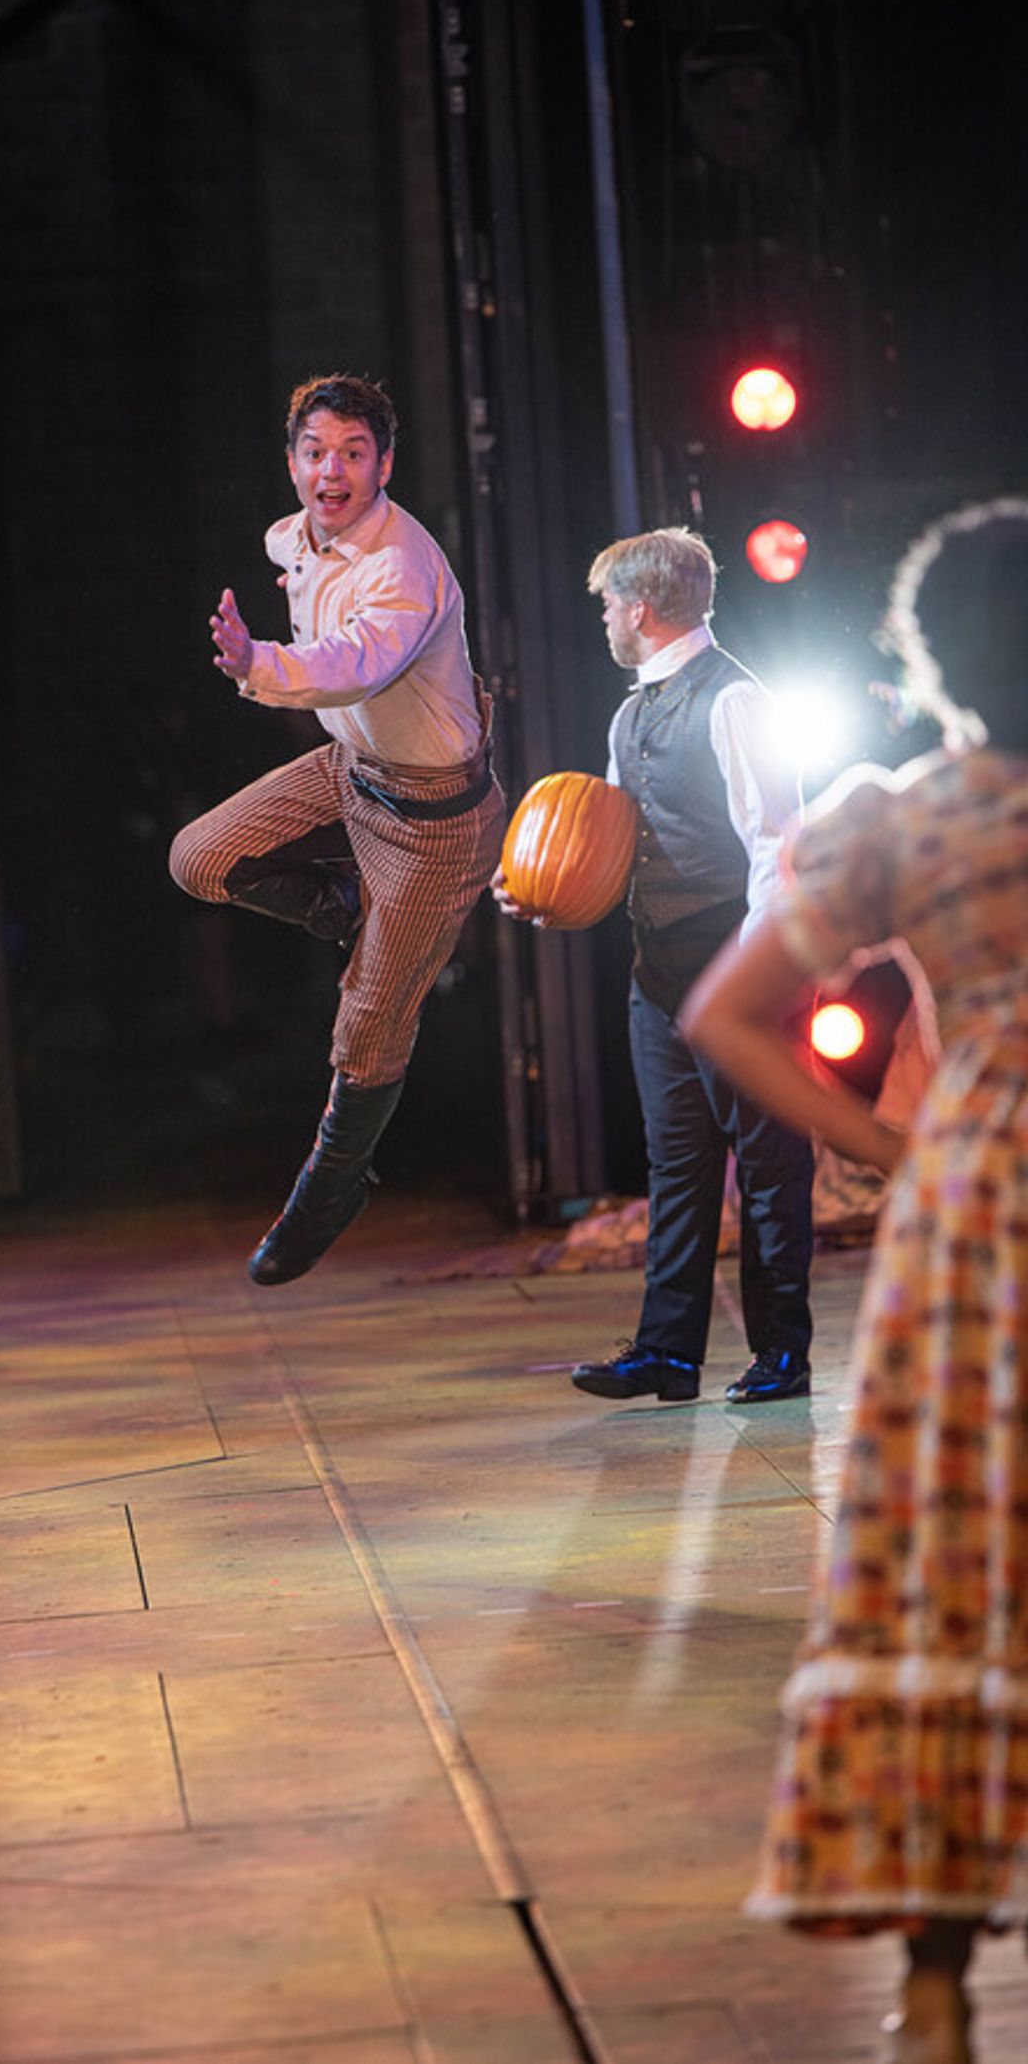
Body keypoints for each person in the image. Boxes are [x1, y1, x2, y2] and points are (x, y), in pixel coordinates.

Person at [681, 498, 1028, 2064]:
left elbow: (728, 1011)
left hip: (980, 1211)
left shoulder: (912, 818)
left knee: (956, 1562)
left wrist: (896, 1149)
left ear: (937, 660)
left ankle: (941, 1984)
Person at [169, 373, 505, 1283]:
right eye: (316, 453)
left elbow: (357, 665)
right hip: (349, 774)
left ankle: (332, 1185)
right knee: (198, 858)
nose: (333, 471)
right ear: (292, 462)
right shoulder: (297, 537)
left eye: (354, 454)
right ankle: (339, 903)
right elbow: (298, 560)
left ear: (385, 464)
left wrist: (258, 661)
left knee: (365, 1029)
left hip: (434, 817)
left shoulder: (404, 564)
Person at [496, 525, 814, 1404]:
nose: (601, 618)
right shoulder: (630, 713)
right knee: (676, 1166)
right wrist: (537, 889)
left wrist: (753, 984)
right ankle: (668, 1351)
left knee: (768, 1163)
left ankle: (782, 1351)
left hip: (735, 963)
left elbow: (775, 847)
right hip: (659, 971)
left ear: (640, 607)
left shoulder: (736, 700)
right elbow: (603, 843)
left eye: (607, 603)